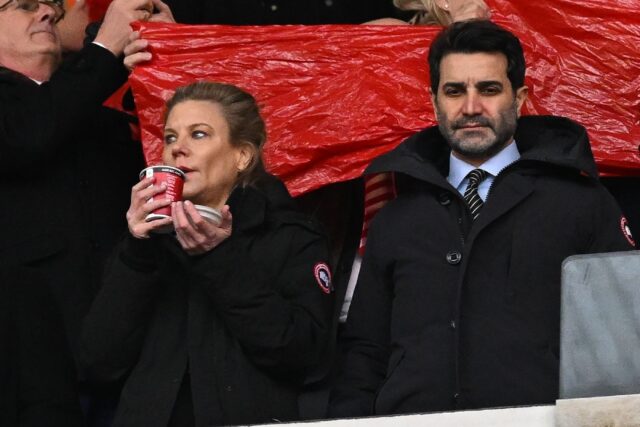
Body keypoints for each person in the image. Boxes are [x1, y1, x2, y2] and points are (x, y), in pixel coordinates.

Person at [329, 20, 636, 418]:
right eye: (454, 91)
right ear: (434, 100)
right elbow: (365, 352)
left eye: (488, 89)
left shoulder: (581, 203)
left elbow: (622, 339)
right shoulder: (396, 216)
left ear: (520, 97)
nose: (471, 107)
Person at [79, 81, 334, 426]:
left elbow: (302, 354)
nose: (177, 149)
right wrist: (137, 251)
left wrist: (217, 256)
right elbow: (98, 363)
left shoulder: (289, 235)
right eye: (170, 138)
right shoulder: (149, 243)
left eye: (198, 135)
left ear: (242, 155)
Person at [0, 0, 173, 424]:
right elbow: (29, 136)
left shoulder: (102, 124)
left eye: (53, 8)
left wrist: (171, 56)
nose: (48, 14)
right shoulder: (23, 117)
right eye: (23, 5)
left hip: (130, 358)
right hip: (27, 372)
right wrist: (104, 48)